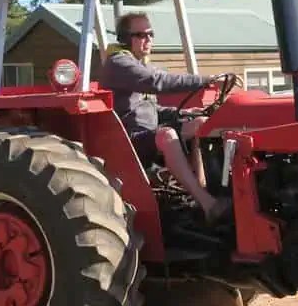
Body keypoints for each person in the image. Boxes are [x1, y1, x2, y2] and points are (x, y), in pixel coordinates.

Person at [99, 12, 233, 218]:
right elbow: (157, 82)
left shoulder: (138, 64)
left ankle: (208, 189)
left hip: (146, 134)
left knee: (201, 123)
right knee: (166, 135)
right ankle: (208, 204)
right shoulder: (119, 64)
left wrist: (185, 113)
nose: (148, 39)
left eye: (150, 34)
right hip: (127, 140)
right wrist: (207, 81)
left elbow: (150, 109)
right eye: (141, 35)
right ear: (126, 39)